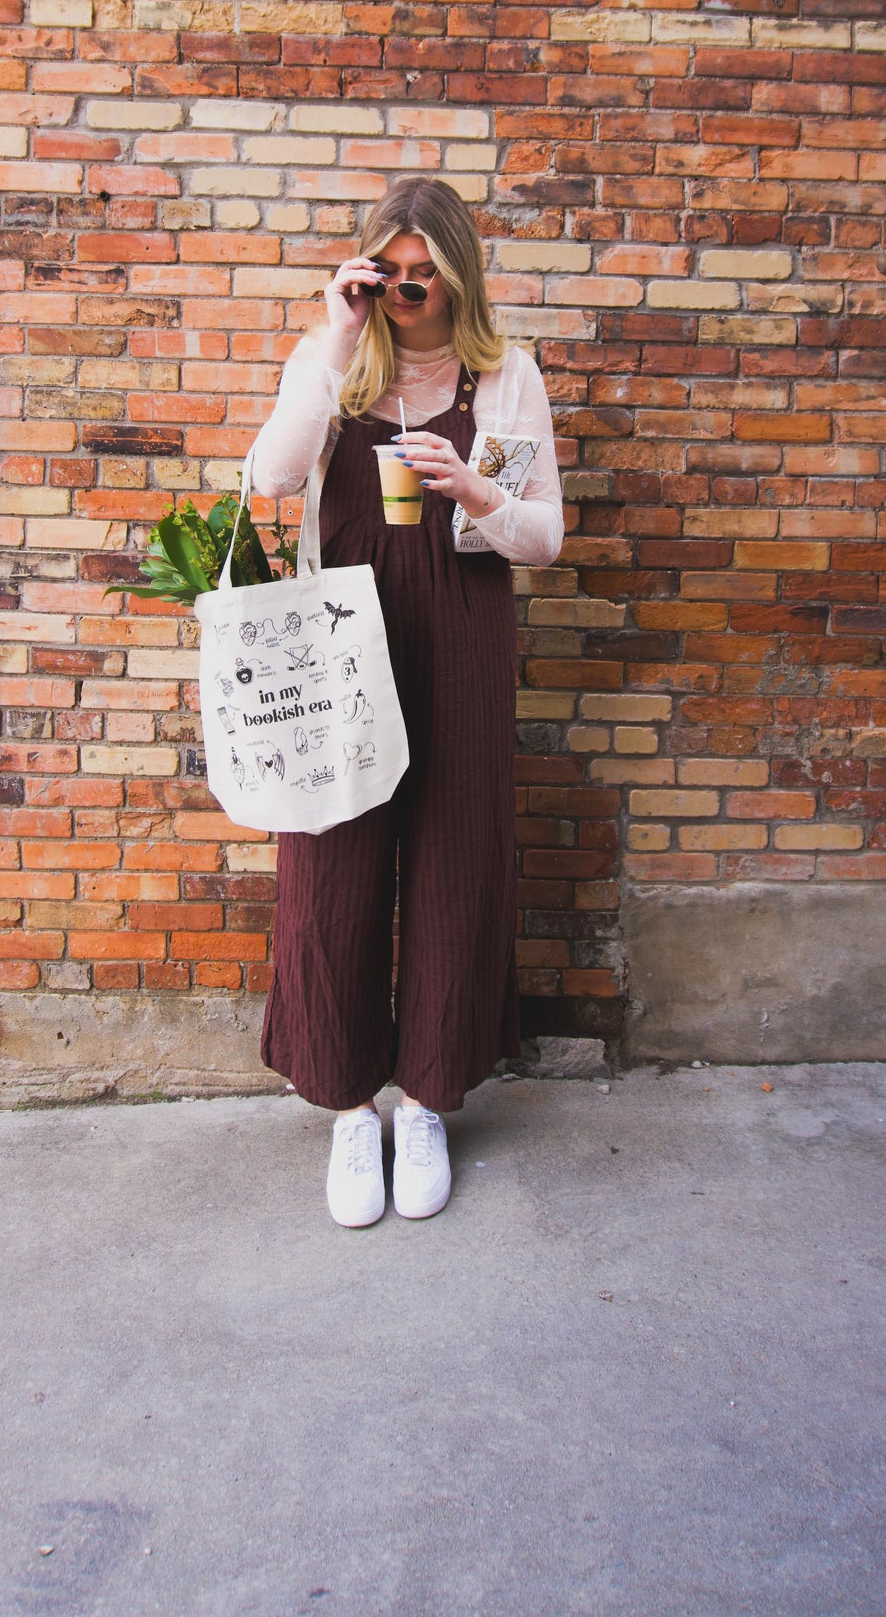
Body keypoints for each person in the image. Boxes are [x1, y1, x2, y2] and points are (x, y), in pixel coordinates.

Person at [250, 177, 565, 1227]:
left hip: (461, 640)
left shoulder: (500, 375)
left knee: (452, 866)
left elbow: (539, 541)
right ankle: (348, 1109)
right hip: (340, 642)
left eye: (425, 279)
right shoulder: (338, 362)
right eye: (389, 277)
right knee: (331, 867)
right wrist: (332, 338)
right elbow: (273, 474)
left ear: (457, 277)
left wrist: (473, 489)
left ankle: (426, 1098)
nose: (406, 297)